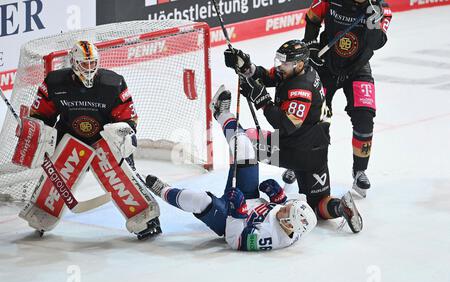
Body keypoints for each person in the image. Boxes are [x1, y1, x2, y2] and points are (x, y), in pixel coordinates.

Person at [144, 86, 362, 251]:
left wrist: (237, 213)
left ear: (289, 225)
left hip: (230, 219)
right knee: (246, 147)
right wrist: (278, 197)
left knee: (201, 201)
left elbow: (234, 240)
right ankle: (220, 113)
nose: (285, 209)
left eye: (286, 212)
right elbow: (285, 204)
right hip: (250, 197)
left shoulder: (274, 238)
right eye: (288, 208)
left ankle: (162, 190)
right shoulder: (294, 215)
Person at [18, 40, 161, 239]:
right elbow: (42, 114)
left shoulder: (113, 83)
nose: (89, 68)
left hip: (105, 141)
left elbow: (128, 117)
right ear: (73, 63)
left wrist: (124, 132)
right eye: (84, 64)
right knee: (57, 174)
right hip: (70, 138)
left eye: (93, 63)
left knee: (124, 176)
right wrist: (36, 129)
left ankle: (146, 219)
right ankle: (43, 212)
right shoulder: (54, 82)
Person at [223, 40, 363, 233]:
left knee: (243, 144)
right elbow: (266, 76)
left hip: (294, 150)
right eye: (279, 61)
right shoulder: (299, 70)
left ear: (298, 64)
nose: (280, 66)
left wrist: (262, 100)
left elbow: (286, 125)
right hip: (317, 151)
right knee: (318, 204)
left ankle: (244, 201)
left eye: (284, 63)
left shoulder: (301, 89)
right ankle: (340, 207)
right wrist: (246, 66)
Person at [301, 0, 393, 197]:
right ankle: (297, 162)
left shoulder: (382, 8)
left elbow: (376, 43)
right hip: (326, 66)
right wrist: (311, 46)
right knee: (312, 116)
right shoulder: (329, 1)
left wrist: (373, 23)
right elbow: (312, 17)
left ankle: (360, 170)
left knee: (365, 117)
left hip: (358, 68)